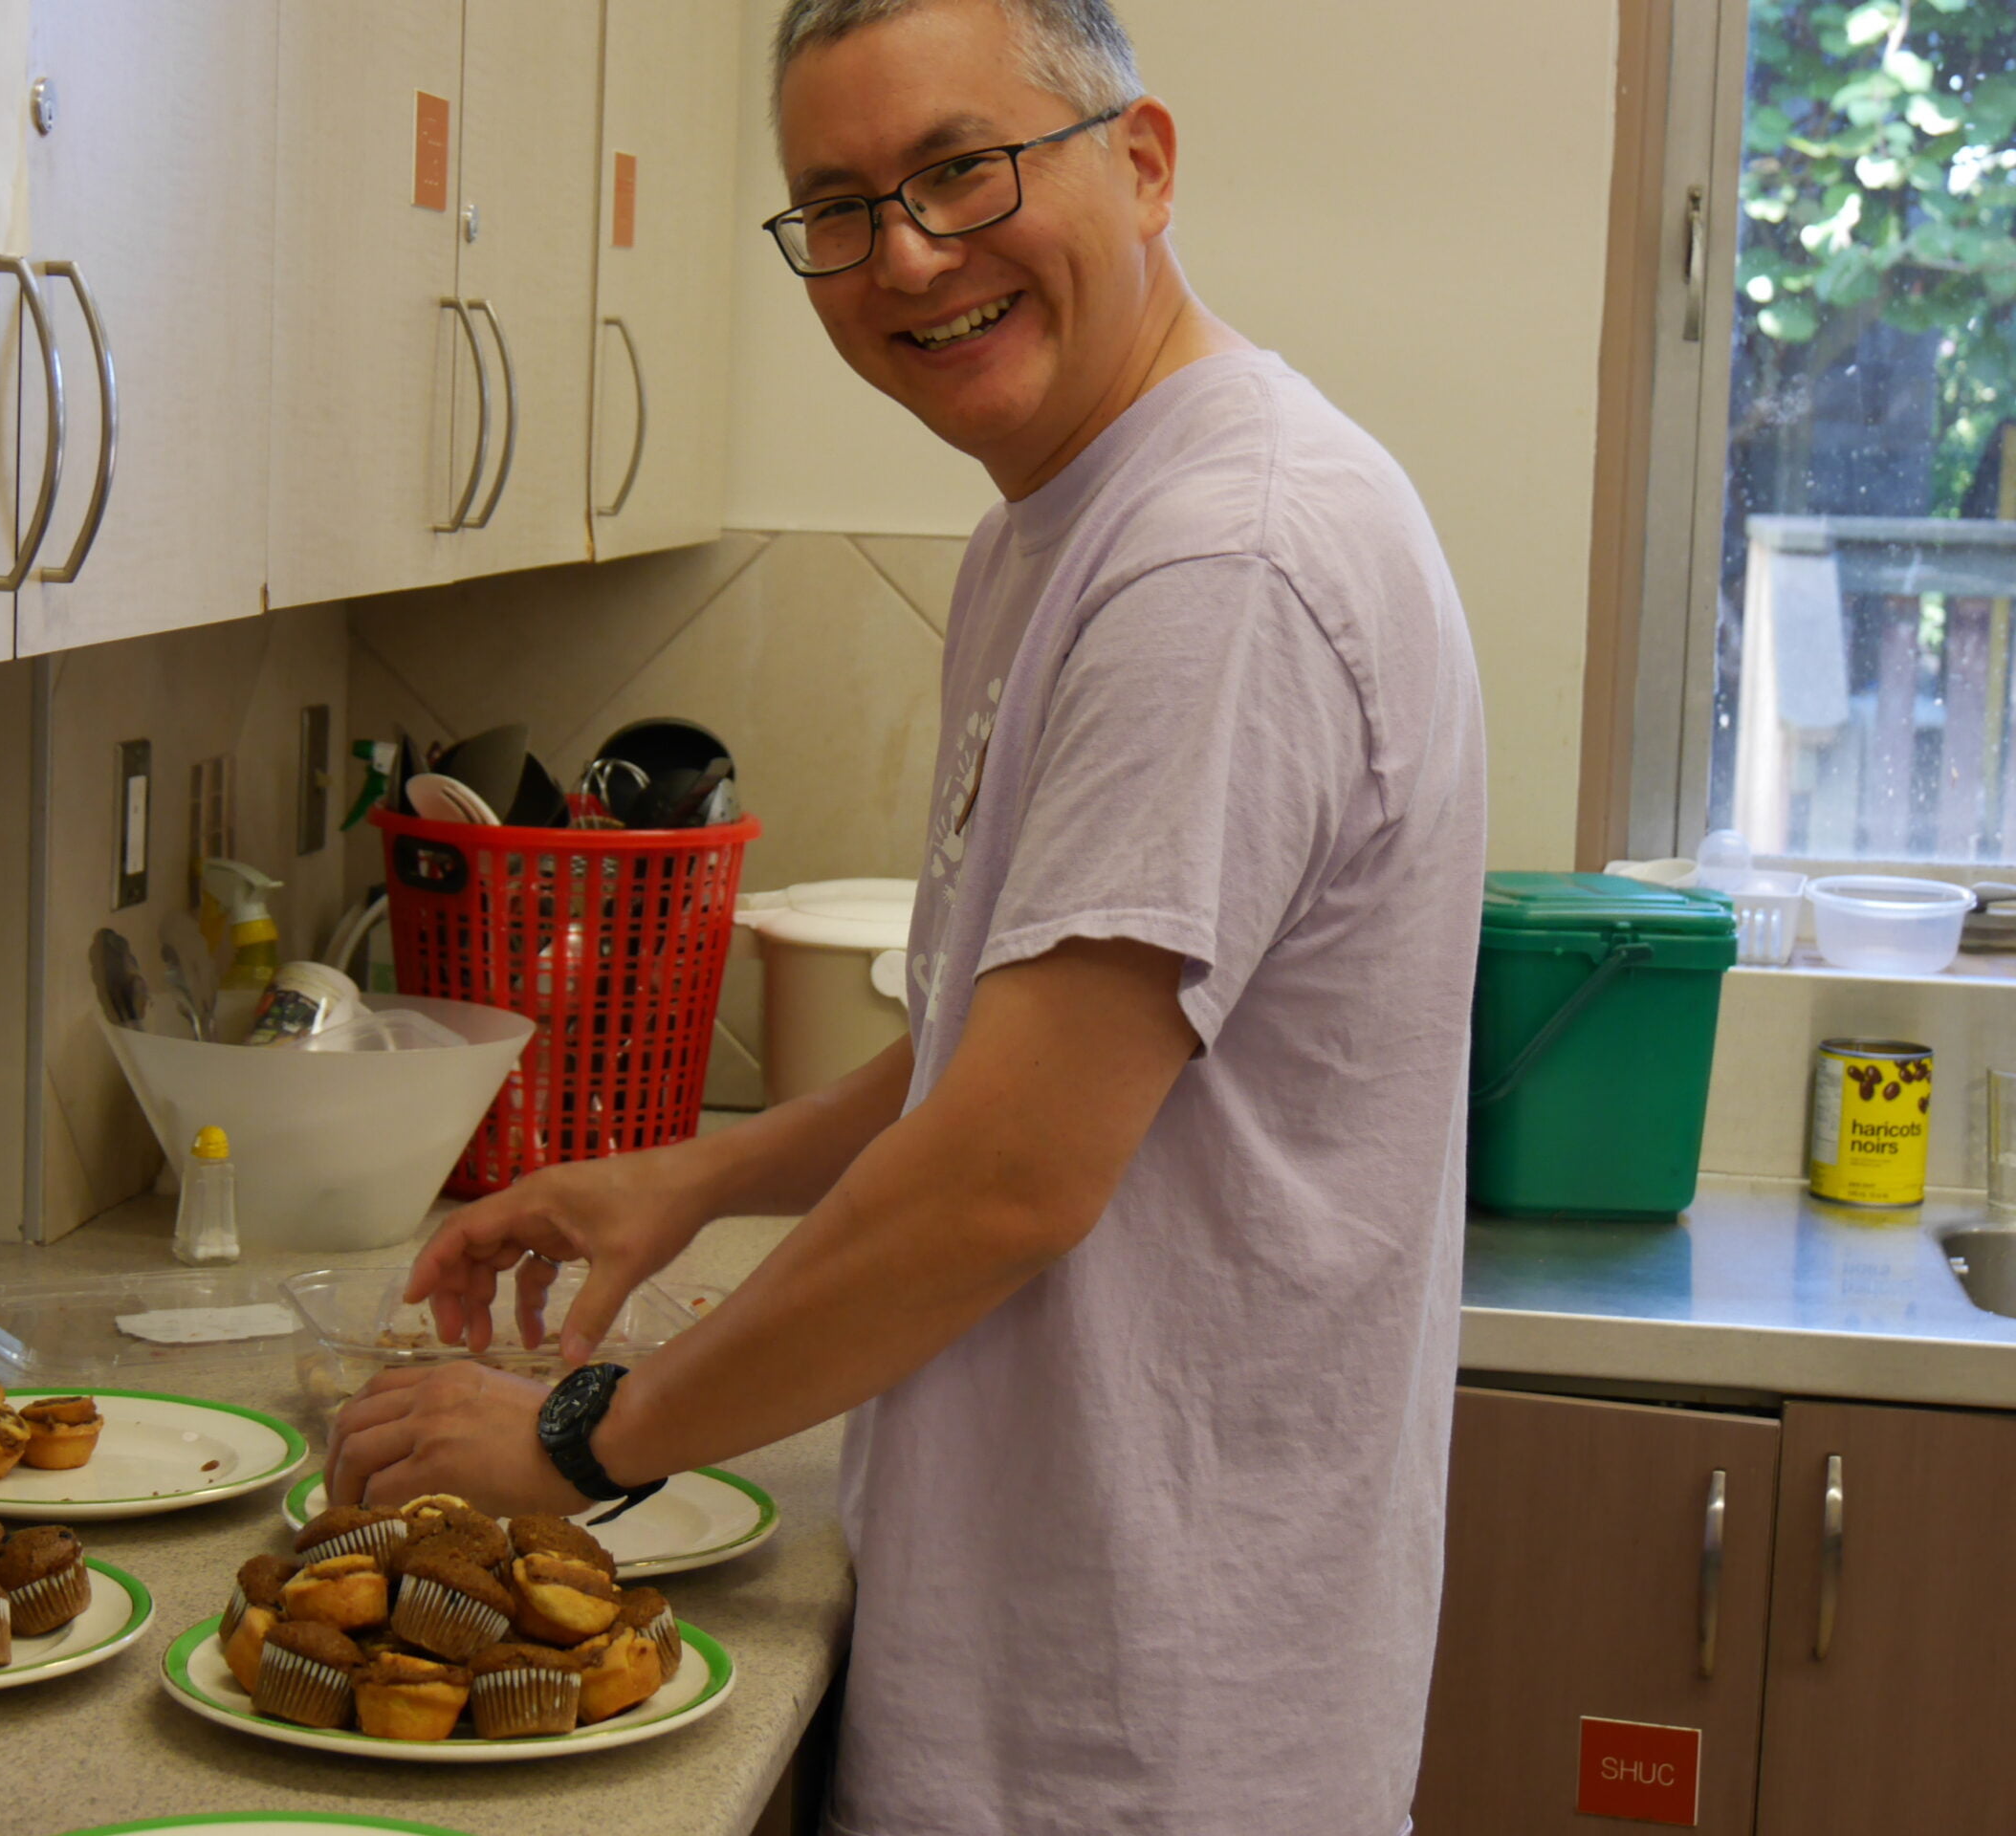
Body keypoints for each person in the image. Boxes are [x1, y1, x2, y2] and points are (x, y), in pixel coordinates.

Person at [327, 1, 1486, 1828]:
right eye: (842, 206)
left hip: (1143, 1725)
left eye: (963, 169)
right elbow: (1009, 1041)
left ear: (1145, 158)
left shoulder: (1222, 565)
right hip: (1048, 1643)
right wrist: (700, 1173)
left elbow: (1010, 1175)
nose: (912, 258)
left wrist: (581, 1437)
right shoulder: (1063, 519)